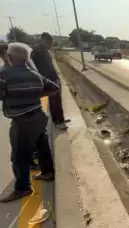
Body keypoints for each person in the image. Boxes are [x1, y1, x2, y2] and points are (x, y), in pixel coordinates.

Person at [0, 43, 59, 203]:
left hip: (22, 120)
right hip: (38, 115)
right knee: (42, 147)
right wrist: (36, 94)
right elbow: (54, 87)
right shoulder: (34, 74)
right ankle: (48, 172)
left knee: (19, 156)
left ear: (10, 58)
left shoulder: (4, 75)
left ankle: (22, 188)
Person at [31, 32, 70, 130]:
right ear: (45, 40)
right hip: (49, 79)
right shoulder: (38, 51)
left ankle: (59, 120)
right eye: (50, 42)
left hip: (51, 78)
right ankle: (59, 122)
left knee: (56, 100)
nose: (52, 44)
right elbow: (33, 65)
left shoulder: (44, 50)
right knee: (55, 101)